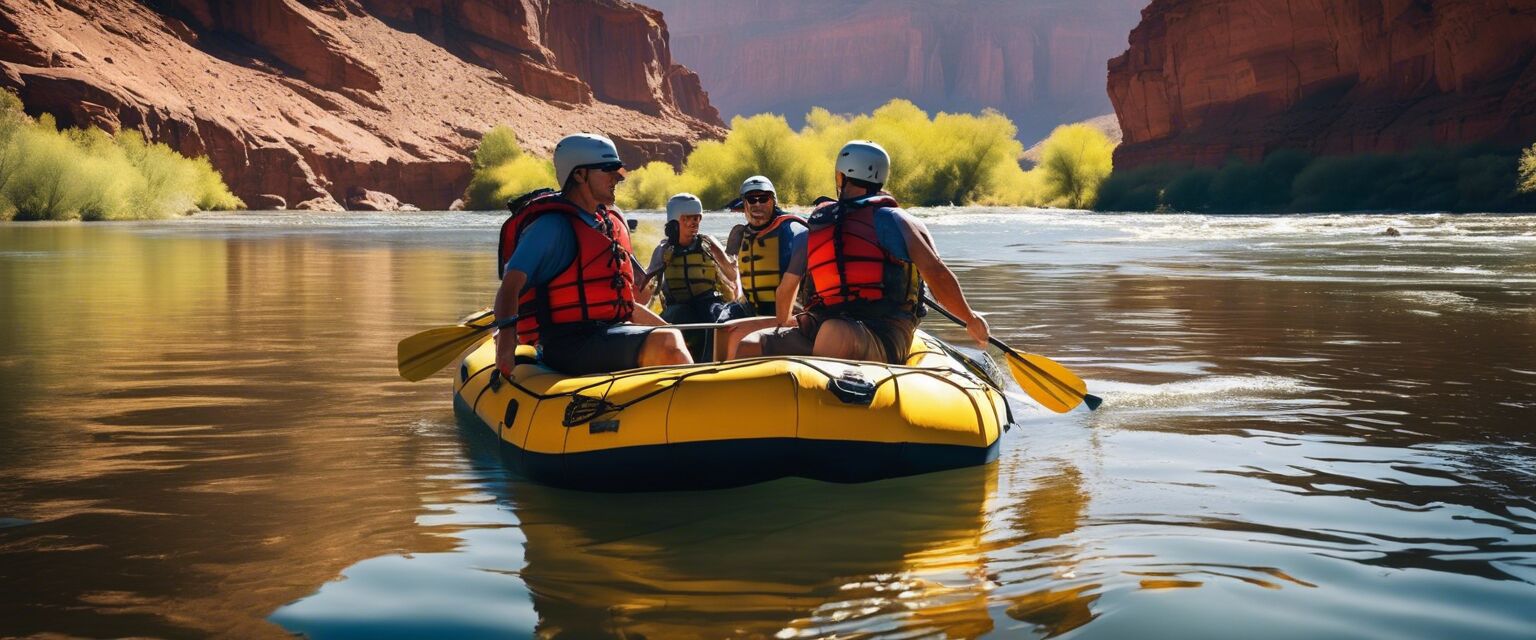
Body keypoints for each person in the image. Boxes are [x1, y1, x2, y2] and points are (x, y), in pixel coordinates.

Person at [734, 140, 989, 363]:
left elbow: (936, 275)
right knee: (749, 344)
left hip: (883, 331)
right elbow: (937, 275)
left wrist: (969, 318)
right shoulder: (823, 224)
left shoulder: (888, 219)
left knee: (834, 332)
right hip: (824, 325)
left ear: (840, 177)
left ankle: (818, 403)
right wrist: (787, 321)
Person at [493, 133, 691, 377]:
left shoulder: (606, 224)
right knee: (667, 343)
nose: (616, 177)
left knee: (675, 335)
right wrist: (505, 343)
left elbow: (626, 305)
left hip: (608, 335)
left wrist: (675, 330)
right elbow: (509, 288)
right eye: (607, 170)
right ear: (579, 174)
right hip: (568, 345)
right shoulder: (551, 227)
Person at [637, 193, 740, 360]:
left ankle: (712, 363)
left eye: (697, 218)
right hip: (677, 305)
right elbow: (645, 283)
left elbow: (732, 275)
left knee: (717, 318)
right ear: (674, 223)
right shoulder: (663, 250)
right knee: (673, 318)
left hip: (708, 301)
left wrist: (731, 260)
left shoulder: (708, 243)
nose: (693, 224)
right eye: (687, 219)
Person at [714, 175, 808, 358]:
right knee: (723, 321)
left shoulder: (791, 228)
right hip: (751, 307)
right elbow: (731, 272)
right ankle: (713, 369)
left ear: (773, 201)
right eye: (752, 199)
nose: (758, 204)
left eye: (763, 199)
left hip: (788, 309)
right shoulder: (740, 233)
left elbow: (805, 242)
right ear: (744, 204)